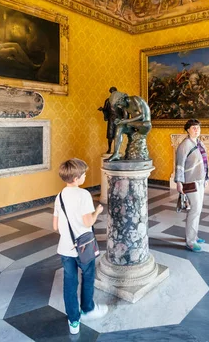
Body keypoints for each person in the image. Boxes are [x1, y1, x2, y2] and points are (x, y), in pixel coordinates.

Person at [53, 158, 107, 335]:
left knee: (69, 283)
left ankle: (73, 321)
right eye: (83, 174)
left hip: (65, 249)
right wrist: (98, 211)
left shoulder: (59, 196)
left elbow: (55, 226)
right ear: (76, 178)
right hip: (83, 247)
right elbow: (88, 222)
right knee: (88, 275)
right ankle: (88, 309)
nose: (85, 176)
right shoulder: (83, 195)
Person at [174, 119, 209, 252]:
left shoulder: (199, 143)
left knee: (198, 209)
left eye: (198, 128)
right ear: (187, 129)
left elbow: (205, 162)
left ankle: (193, 235)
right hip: (190, 182)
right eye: (194, 128)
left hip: (200, 181)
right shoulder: (184, 145)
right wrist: (178, 182)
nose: (197, 130)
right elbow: (179, 165)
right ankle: (190, 241)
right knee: (194, 209)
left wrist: (206, 177)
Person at [106, 91, 152, 162]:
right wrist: (120, 121)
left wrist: (126, 121)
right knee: (120, 127)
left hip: (144, 125)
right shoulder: (124, 106)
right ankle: (116, 153)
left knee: (146, 124)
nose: (119, 106)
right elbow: (126, 119)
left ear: (122, 99)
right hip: (134, 125)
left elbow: (142, 115)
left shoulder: (135, 99)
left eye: (118, 104)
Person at [97, 87, 119, 154]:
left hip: (118, 119)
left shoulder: (119, 101)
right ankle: (109, 148)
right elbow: (106, 109)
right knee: (110, 134)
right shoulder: (107, 101)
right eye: (112, 92)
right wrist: (102, 109)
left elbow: (123, 110)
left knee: (117, 134)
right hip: (111, 119)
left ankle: (116, 150)